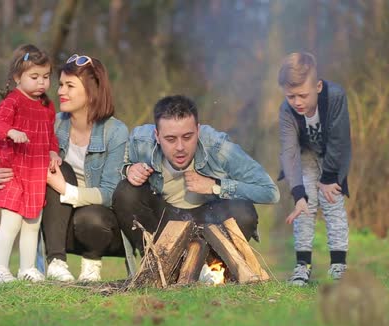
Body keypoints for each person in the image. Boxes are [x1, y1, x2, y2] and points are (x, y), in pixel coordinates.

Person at [0, 53, 128, 282]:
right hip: (55, 219)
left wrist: (66, 190)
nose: (60, 91)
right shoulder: (51, 122)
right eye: (61, 84)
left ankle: (90, 263)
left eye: (69, 86)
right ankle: (54, 262)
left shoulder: (115, 132)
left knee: (86, 210)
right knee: (55, 165)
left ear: (92, 89)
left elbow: (110, 193)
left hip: (96, 224)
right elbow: (20, 156)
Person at [112, 95, 280, 255]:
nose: (180, 147)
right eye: (170, 139)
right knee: (125, 192)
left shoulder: (218, 147)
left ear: (198, 130)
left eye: (187, 137)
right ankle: (157, 262)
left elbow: (270, 192)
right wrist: (129, 170)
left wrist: (215, 186)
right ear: (157, 136)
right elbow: (112, 177)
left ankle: (210, 267)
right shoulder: (141, 141)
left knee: (244, 212)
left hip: (209, 219)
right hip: (163, 220)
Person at [277, 52, 351, 286]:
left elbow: (340, 139)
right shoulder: (286, 110)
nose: (297, 102)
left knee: (332, 202)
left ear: (318, 86)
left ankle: (339, 265)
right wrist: (298, 194)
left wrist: (330, 177)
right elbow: (289, 152)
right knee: (304, 207)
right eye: (291, 96)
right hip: (305, 155)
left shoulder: (336, 97)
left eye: (302, 95)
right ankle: (302, 266)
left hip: (332, 154)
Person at [0, 44, 61, 284]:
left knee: (32, 223)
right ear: (17, 77)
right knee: (10, 223)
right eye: (34, 77)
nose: (41, 82)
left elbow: (50, 135)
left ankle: (27, 269)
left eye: (46, 77)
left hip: (36, 173)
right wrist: (10, 131)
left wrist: (53, 152)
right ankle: (0, 270)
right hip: (13, 171)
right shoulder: (13, 101)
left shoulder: (46, 106)